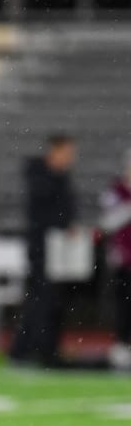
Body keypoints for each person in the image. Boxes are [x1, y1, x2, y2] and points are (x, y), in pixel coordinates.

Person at [8, 133, 77, 368]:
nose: (70, 158)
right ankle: (34, 349)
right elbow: (45, 214)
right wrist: (63, 226)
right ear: (54, 151)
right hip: (42, 248)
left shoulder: (59, 177)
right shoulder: (42, 176)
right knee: (41, 300)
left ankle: (40, 348)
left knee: (48, 301)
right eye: (67, 152)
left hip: (56, 249)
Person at [98, 149, 131, 370]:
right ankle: (122, 344)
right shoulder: (116, 192)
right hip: (125, 259)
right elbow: (107, 223)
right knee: (124, 304)